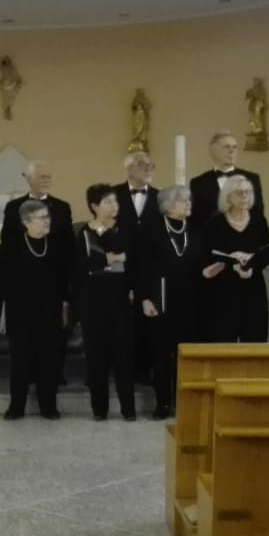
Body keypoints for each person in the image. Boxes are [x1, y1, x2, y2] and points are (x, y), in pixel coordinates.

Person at [0, 199, 70, 420]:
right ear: (27, 222)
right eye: (42, 218)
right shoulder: (12, 246)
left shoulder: (55, 245)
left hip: (50, 311)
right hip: (20, 313)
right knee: (20, 360)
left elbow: (64, 279)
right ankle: (16, 406)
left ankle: (48, 406)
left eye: (48, 217)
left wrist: (65, 305)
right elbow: (0, 280)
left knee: (49, 359)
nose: (47, 221)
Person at [138, 185, 204, 419]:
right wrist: (145, 298)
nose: (188, 204)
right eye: (182, 200)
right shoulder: (151, 231)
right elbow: (142, 268)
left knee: (187, 356)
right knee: (161, 356)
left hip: (191, 301)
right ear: (168, 205)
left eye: (189, 199)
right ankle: (163, 404)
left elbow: (201, 261)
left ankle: (185, 402)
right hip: (162, 300)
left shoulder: (196, 229)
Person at [75, 185, 137, 421]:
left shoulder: (124, 229)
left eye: (115, 201)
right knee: (96, 358)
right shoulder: (83, 233)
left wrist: (106, 259)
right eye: (108, 202)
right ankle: (99, 410)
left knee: (123, 357)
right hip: (92, 304)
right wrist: (108, 259)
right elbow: (83, 267)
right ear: (94, 206)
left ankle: (128, 409)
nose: (114, 206)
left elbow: (125, 260)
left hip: (120, 301)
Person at [202, 174, 269, 342]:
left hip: (253, 290)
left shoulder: (258, 220)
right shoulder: (215, 222)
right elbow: (206, 255)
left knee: (255, 342)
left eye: (248, 192)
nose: (245, 196)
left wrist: (252, 258)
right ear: (228, 196)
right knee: (222, 343)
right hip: (224, 292)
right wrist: (227, 261)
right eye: (239, 192)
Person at [116, 152, 160, 382]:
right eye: (143, 165)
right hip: (120, 265)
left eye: (150, 165)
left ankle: (143, 369)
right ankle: (118, 368)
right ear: (129, 169)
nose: (148, 168)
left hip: (150, 267)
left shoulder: (160, 197)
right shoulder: (113, 194)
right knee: (120, 318)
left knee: (147, 318)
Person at [189, 132, 264, 226]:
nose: (231, 151)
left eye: (234, 147)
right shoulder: (199, 183)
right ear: (214, 151)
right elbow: (196, 220)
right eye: (226, 147)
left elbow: (258, 214)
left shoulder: (252, 178)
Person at [1, 160, 69, 247]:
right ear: (29, 180)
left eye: (48, 177)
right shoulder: (13, 207)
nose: (46, 181)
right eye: (42, 177)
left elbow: (68, 243)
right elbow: (7, 242)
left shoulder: (62, 207)